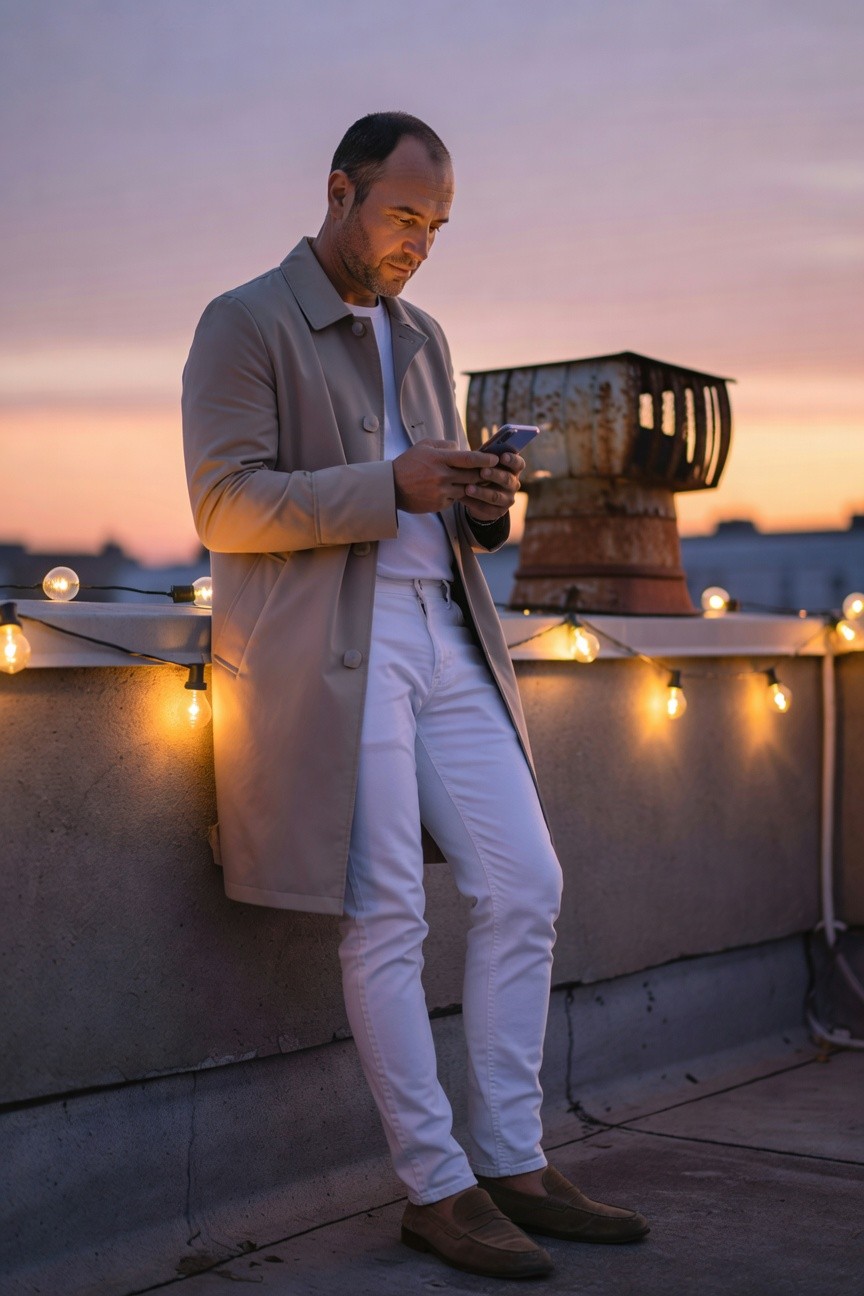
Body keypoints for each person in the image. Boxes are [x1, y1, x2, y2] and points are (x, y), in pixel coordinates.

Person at [182, 110, 648, 1280]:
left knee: (525, 883)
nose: (419, 244)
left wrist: (484, 500)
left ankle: (513, 1160)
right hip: (331, 653)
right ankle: (436, 1187)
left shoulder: (426, 335)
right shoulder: (243, 322)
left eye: (437, 225)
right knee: (386, 913)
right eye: (403, 215)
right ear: (339, 190)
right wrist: (391, 480)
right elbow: (225, 506)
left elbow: (440, 510)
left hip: (447, 636)